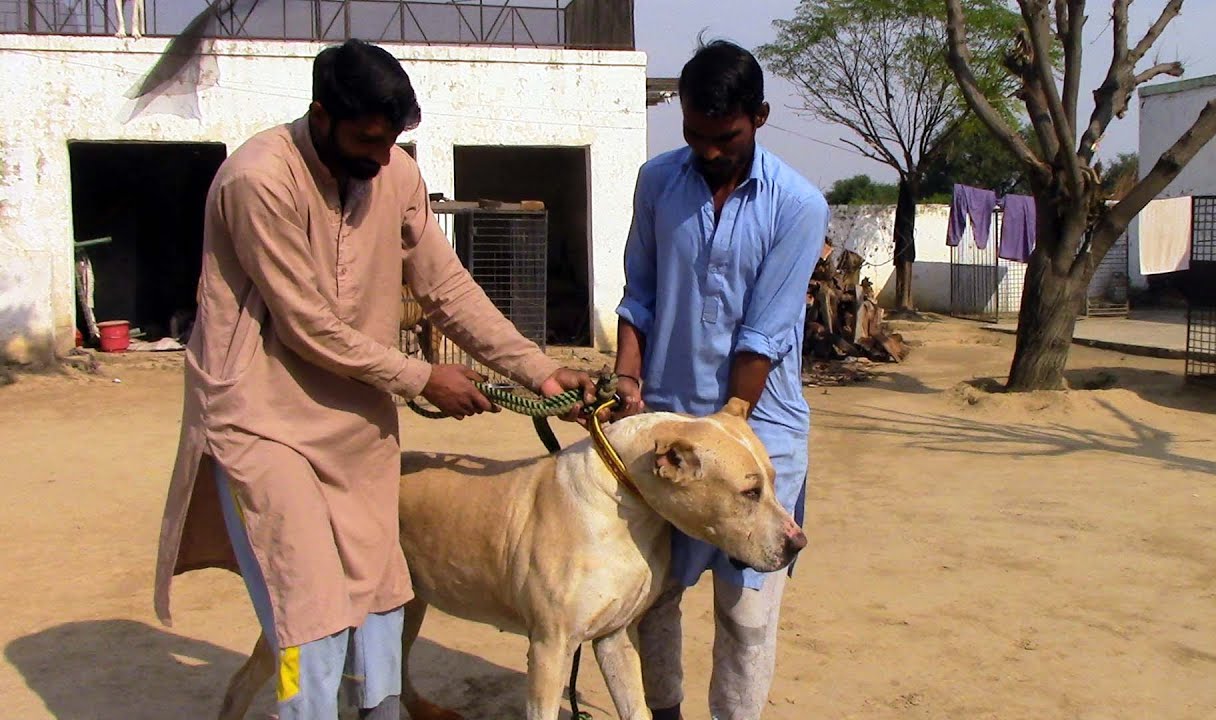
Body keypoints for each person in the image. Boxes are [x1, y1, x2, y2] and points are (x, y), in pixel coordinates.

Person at [152, 39, 593, 720]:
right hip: (261, 418)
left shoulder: (394, 176)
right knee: (310, 613)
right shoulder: (258, 179)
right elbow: (304, 323)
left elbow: (447, 287)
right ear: (321, 115)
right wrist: (421, 377)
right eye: (367, 138)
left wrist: (537, 370)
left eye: (393, 140)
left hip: (354, 419)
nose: (382, 156)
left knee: (384, 593)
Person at [610, 40, 828, 720]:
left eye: (724, 136)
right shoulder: (656, 182)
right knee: (650, 594)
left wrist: (731, 423)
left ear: (758, 117)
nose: (707, 150)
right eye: (694, 135)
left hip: (761, 434)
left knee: (747, 612)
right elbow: (637, 295)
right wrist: (626, 379)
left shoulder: (798, 205)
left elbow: (765, 331)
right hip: (669, 434)